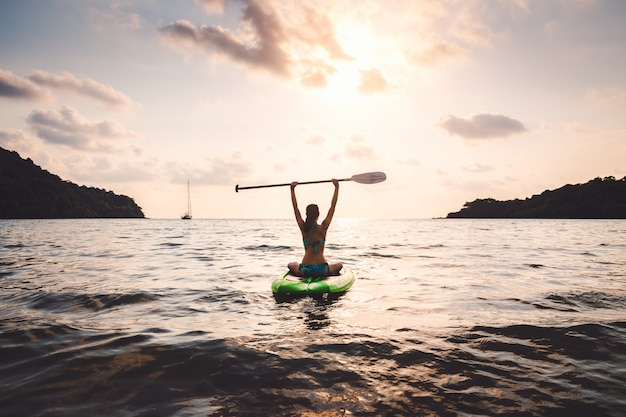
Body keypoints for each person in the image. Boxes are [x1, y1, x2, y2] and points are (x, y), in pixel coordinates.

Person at [288, 179, 343, 277]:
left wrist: (292, 189)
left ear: (306, 214)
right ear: (318, 214)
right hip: (322, 269)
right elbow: (332, 207)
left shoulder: (303, 228)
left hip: (306, 269)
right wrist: (336, 187)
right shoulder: (323, 227)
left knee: (291, 265)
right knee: (339, 265)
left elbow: (295, 207)